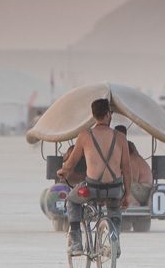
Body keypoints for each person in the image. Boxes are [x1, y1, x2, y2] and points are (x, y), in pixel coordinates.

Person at [57, 98, 132, 255]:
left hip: (92, 188)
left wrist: (62, 172)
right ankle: (115, 242)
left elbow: (70, 164)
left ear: (94, 115)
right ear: (107, 115)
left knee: (72, 200)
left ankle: (76, 242)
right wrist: (127, 194)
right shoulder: (120, 137)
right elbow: (127, 168)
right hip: (114, 188)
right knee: (114, 209)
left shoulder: (85, 135)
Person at [113, 125, 154, 206]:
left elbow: (131, 180)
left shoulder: (132, 160)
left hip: (143, 191)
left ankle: (132, 203)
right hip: (139, 188)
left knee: (125, 181)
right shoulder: (131, 155)